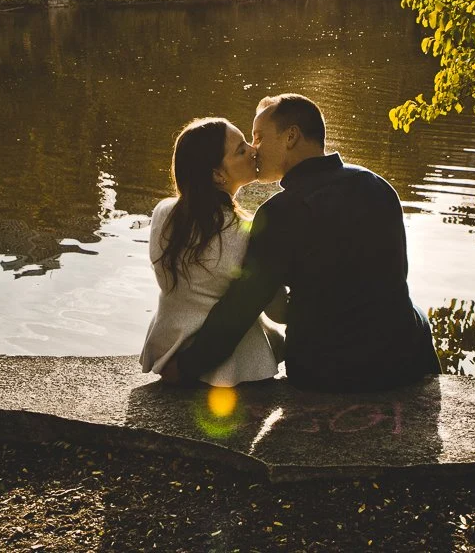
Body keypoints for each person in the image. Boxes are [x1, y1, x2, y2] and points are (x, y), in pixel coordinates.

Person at [161, 94, 441, 392]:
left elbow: (242, 305)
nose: (254, 149)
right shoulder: (378, 185)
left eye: (258, 137)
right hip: (404, 360)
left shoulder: (281, 212)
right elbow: (394, 278)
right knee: (412, 312)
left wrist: (188, 366)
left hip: (326, 372)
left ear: (291, 136)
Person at [139, 117, 285, 387]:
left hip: (171, 345)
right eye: (241, 150)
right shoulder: (247, 231)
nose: (254, 149)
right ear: (218, 175)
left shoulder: (164, 213)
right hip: (234, 363)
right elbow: (276, 308)